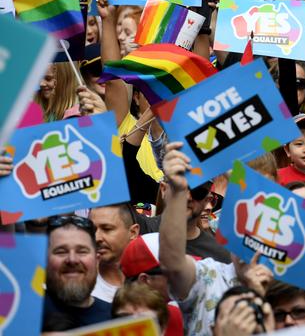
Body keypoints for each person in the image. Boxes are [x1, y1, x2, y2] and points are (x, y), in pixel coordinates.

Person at [159, 143, 274, 336]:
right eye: (240, 188)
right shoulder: (209, 276)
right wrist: (178, 191)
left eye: (262, 188)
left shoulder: (296, 287)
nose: (253, 199)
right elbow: (172, 262)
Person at [43, 216, 112, 330]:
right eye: (61, 252)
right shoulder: (21, 311)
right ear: (44, 259)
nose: (72, 260)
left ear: (97, 260)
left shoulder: (117, 319)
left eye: (82, 251)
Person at [120, 233, 184, 336]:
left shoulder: (176, 315)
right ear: (144, 280)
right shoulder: (117, 322)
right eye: (174, 272)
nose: (182, 276)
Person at [89, 204, 140, 303]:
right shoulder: (80, 284)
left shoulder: (151, 281)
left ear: (133, 232)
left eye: (107, 229)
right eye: (92, 230)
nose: (97, 238)